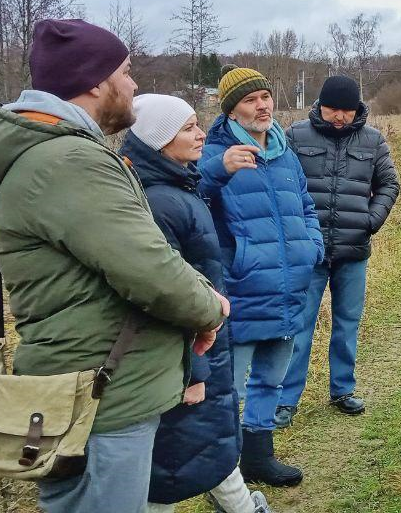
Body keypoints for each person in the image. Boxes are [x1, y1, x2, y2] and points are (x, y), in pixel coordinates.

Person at [0, 19, 228, 513]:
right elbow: (148, 268)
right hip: (101, 394)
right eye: (126, 72)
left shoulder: (59, 154)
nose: (133, 85)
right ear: (94, 81)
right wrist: (209, 309)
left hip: (100, 384)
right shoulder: (67, 161)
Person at [120, 94, 274, 513]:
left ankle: (242, 505)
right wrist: (194, 371)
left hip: (202, 346)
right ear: (159, 139)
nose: (201, 133)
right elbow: (162, 298)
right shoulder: (159, 203)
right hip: (187, 356)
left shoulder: (176, 185)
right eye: (188, 127)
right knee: (170, 461)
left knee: (203, 443)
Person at [199, 65, 324, 487]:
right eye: (251, 100)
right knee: (229, 387)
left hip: (290, 282)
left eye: (265, 96)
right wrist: (218, 170)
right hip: (242, 286)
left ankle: (259, 456)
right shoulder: (213, 151)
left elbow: (305, 203)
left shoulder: (283, 150)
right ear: (232, 112)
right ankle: (224, 467)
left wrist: (312, 247)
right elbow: (185, 199)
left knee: (271, 379)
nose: (263, 105)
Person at [275, 75, 400, 427]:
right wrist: (293, 230)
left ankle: (342, 390)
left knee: (347, 324)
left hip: (353, 250)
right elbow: (278, 183)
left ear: (356, 109)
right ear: (319, 106)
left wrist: (370, 220)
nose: (339, 117)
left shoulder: (373, 141)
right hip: (307, 253)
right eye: (332, 109)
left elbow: (389, 183)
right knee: (299, 326)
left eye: (346, 110)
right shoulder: (294, 136)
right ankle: (286, 399)